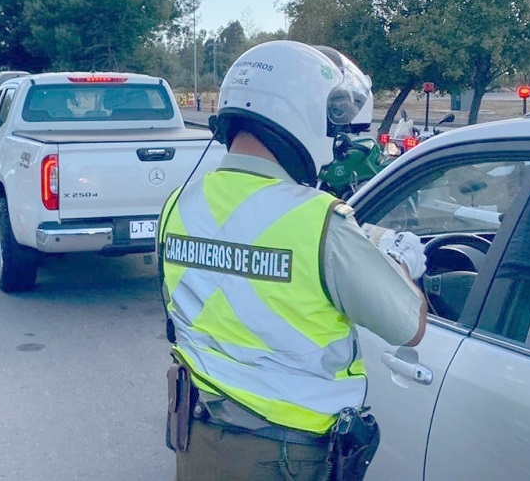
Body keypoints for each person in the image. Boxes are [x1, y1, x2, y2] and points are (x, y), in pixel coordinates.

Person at [158, 40, 427, 481]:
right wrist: (398, 258)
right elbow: (408, 327)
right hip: (288, 455)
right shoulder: (320, 222)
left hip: (200, 440)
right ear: (297, 112)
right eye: (329, 118)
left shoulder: (178, 205)